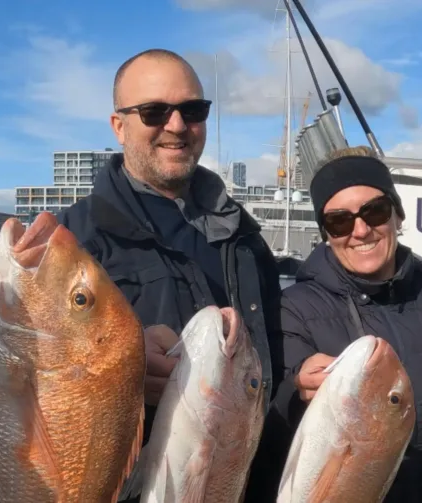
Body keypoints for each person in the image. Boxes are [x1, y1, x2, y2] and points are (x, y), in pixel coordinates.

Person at [38, 48, 293, 502]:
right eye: (154, 111)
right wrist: (127, 367)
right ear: (119, 126)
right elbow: (28, 387)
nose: (176, 126)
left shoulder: (246, 237)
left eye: (192, 110)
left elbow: (274, 363)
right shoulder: (69, 244)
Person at [282, 147, 422, 502]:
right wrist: (298, 388)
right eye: (340, 220)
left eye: (375, 211)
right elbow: (275, 410)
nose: (360, 230)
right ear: (326, 232)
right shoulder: (295, 306)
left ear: (397, 215)